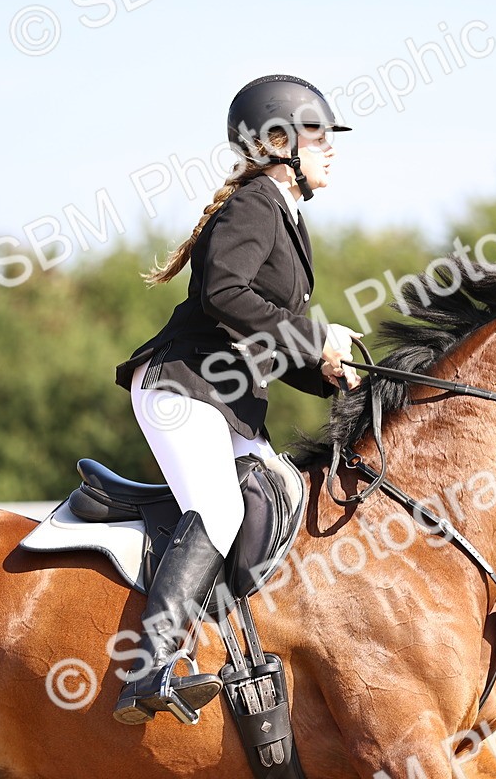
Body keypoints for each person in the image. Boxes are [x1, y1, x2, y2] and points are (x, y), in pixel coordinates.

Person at [111, 75, 360, 725]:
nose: (332, 150)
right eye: (319, 137)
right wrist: (316, 334)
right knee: (218, 508)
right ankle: (148, 669)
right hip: (180, 386)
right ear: (278, 143)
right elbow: (225, 294)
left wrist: (329, 370)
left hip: (224, 396)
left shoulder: (284, 213)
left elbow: (261, 338)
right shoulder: (256, 202)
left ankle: (242, 645)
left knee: (281, 494)